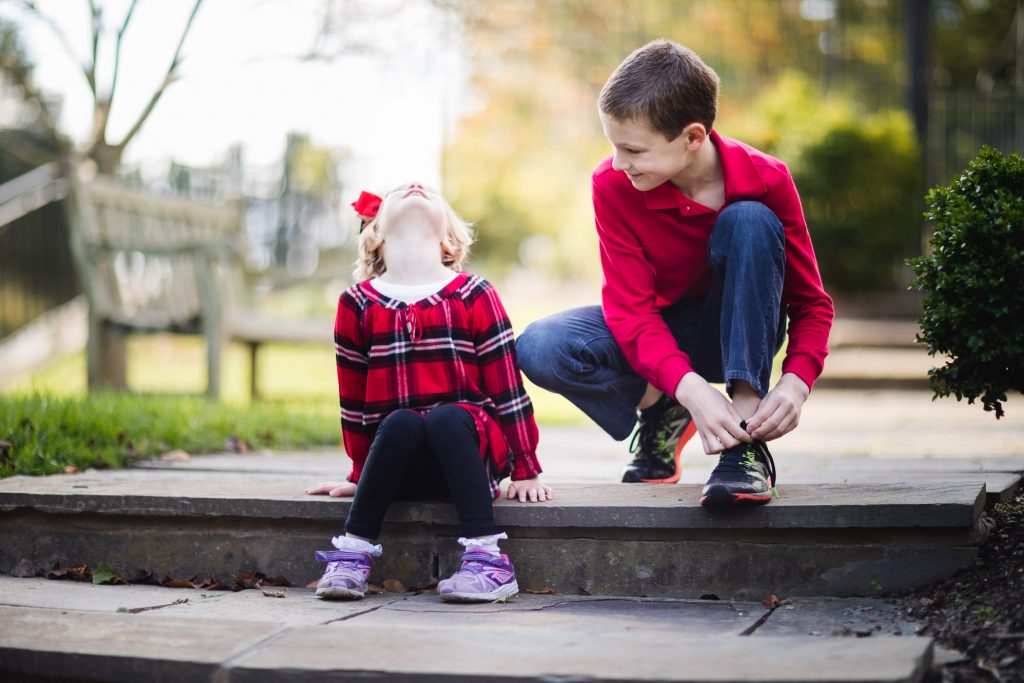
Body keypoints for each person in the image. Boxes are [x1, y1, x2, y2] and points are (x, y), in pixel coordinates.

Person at [517, 40, 833, 507]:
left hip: (739, 331)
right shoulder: (614, 185)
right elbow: (629, 311)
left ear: (692, 137)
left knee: (748, 220)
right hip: (662, 333)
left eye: (633, 150)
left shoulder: (768, 180)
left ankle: (745, 444)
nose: (619, 163)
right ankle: (664, 408)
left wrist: (797, 380)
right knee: (541, 347)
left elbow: (810, 302)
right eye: (613, 146)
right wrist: (692, 392)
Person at [306, 183, 551, 602]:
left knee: (447, 416)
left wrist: (525, 466)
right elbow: (353, 404)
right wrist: (362, 473)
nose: (415, 187)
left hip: (467, 455)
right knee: (399, 422)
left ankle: (487, 560)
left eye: (429, 193)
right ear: (376, 236)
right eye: (400, 191)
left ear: (449, 240)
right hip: (401, 464)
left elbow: (507, 386)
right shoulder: (357, 304)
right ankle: (353, 555)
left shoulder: (475, 293)